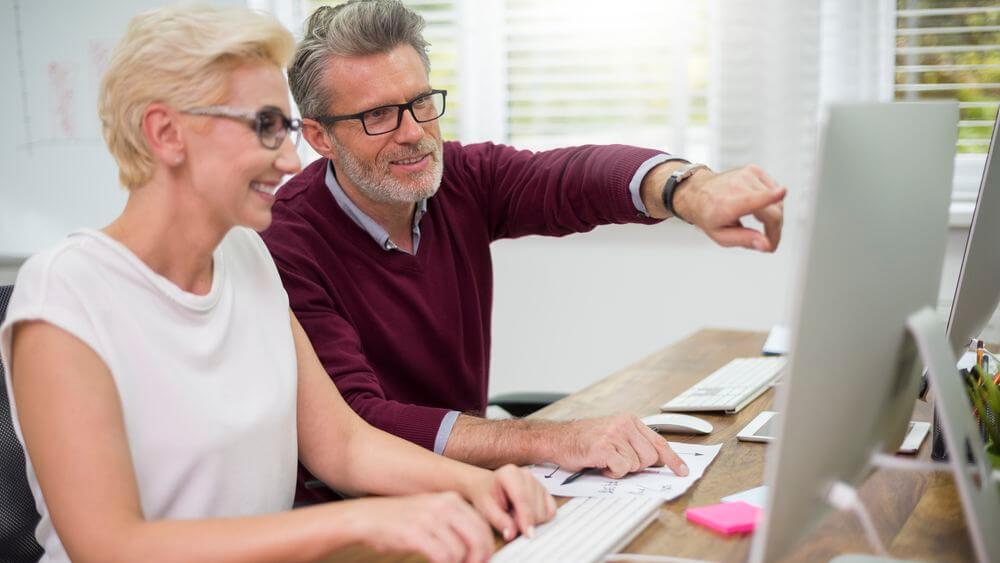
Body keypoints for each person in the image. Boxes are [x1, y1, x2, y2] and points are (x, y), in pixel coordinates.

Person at [0, 6, 553, 563]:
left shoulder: (246, 256)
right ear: (165, 133)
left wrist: (480, 484)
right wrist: (361, 518)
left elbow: (343, 445)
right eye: (265, 127)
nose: (291, 160)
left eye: (286, 129)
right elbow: (109, 545)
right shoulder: (67, 291)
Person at [263, 0, 786, 504]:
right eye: (379, 115)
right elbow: (357, 423)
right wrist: (549, 438)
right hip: (360, 516)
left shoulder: (458, 180)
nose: (415, 133)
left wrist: (688, 190)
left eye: (421, 101)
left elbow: (571, 179)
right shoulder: (286, 243)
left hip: (477, 494)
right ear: (320, 137)